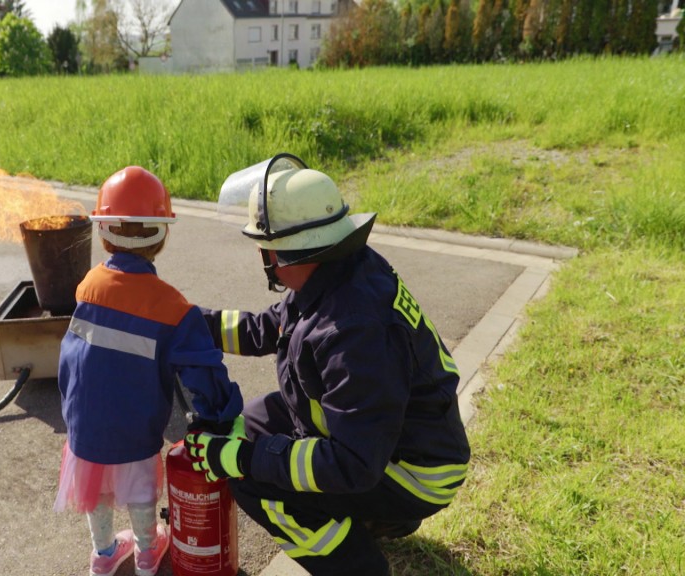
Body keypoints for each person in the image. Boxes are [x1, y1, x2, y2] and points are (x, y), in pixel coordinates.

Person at [185, 154, 471, 576]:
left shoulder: (352, 331)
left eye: (266, 246)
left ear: (285, 253)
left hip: (415, 470)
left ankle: (357, 566)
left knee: (253, 478)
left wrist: (242, 461)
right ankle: (376, 518)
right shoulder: (338, 270)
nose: (263, 255)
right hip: (389, 439)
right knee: (254, 421)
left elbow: (353, 462)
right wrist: (190, 323)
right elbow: (269, 327)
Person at [55, 166, 244, 576]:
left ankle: (103, 556)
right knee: (140, 489)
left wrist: (72, 414)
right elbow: (202, 372)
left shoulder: (88, 286)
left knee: (97, 493)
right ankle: (145, 553)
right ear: (162, 235)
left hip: (83, 427)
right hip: (135, 429)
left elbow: (70, 359)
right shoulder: (172, 307)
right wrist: (223, 411)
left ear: (103, 231)